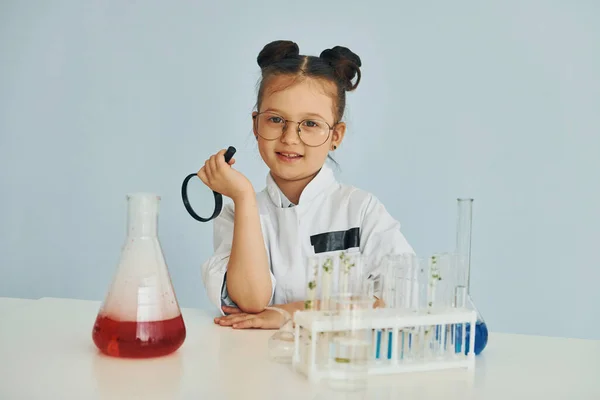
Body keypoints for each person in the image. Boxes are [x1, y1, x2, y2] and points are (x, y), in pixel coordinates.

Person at [199, 40, 414, 329]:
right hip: (258, 366)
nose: (290, 138)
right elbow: (250, 301)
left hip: (346, 362)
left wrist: (289, 312)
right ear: (256, 125)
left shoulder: (362, 210)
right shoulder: (237, 213)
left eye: (310, 124)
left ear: (336, 135)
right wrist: (244, 196)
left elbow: (402, 298)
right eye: (275, 119)